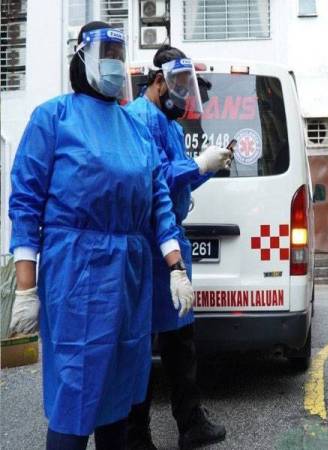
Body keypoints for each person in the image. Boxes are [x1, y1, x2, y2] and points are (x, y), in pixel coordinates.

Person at [7, 22, 195, 450]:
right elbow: (26, 202)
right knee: (75, 395)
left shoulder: (134, 129)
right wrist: (25, 287)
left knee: (119, 394)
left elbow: (159, 203)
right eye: (105, 52)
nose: (113, 62)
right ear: (82, 58)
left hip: (129, 279)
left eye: (118, 52)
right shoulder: (53, 118)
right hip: (75, 275)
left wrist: (176, 268)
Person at [125, 45, 230, 450]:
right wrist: (197, 165)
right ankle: (136, 436)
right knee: (141, 344)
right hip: (150, 243)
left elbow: (178, 179)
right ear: (158, 82)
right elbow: (156, 179)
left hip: (170, 237)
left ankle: (190, 423)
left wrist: (207, 166)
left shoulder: (167, 122)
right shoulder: (139, 119)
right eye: (180, 87)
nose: (185, 96)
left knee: (180, 339)